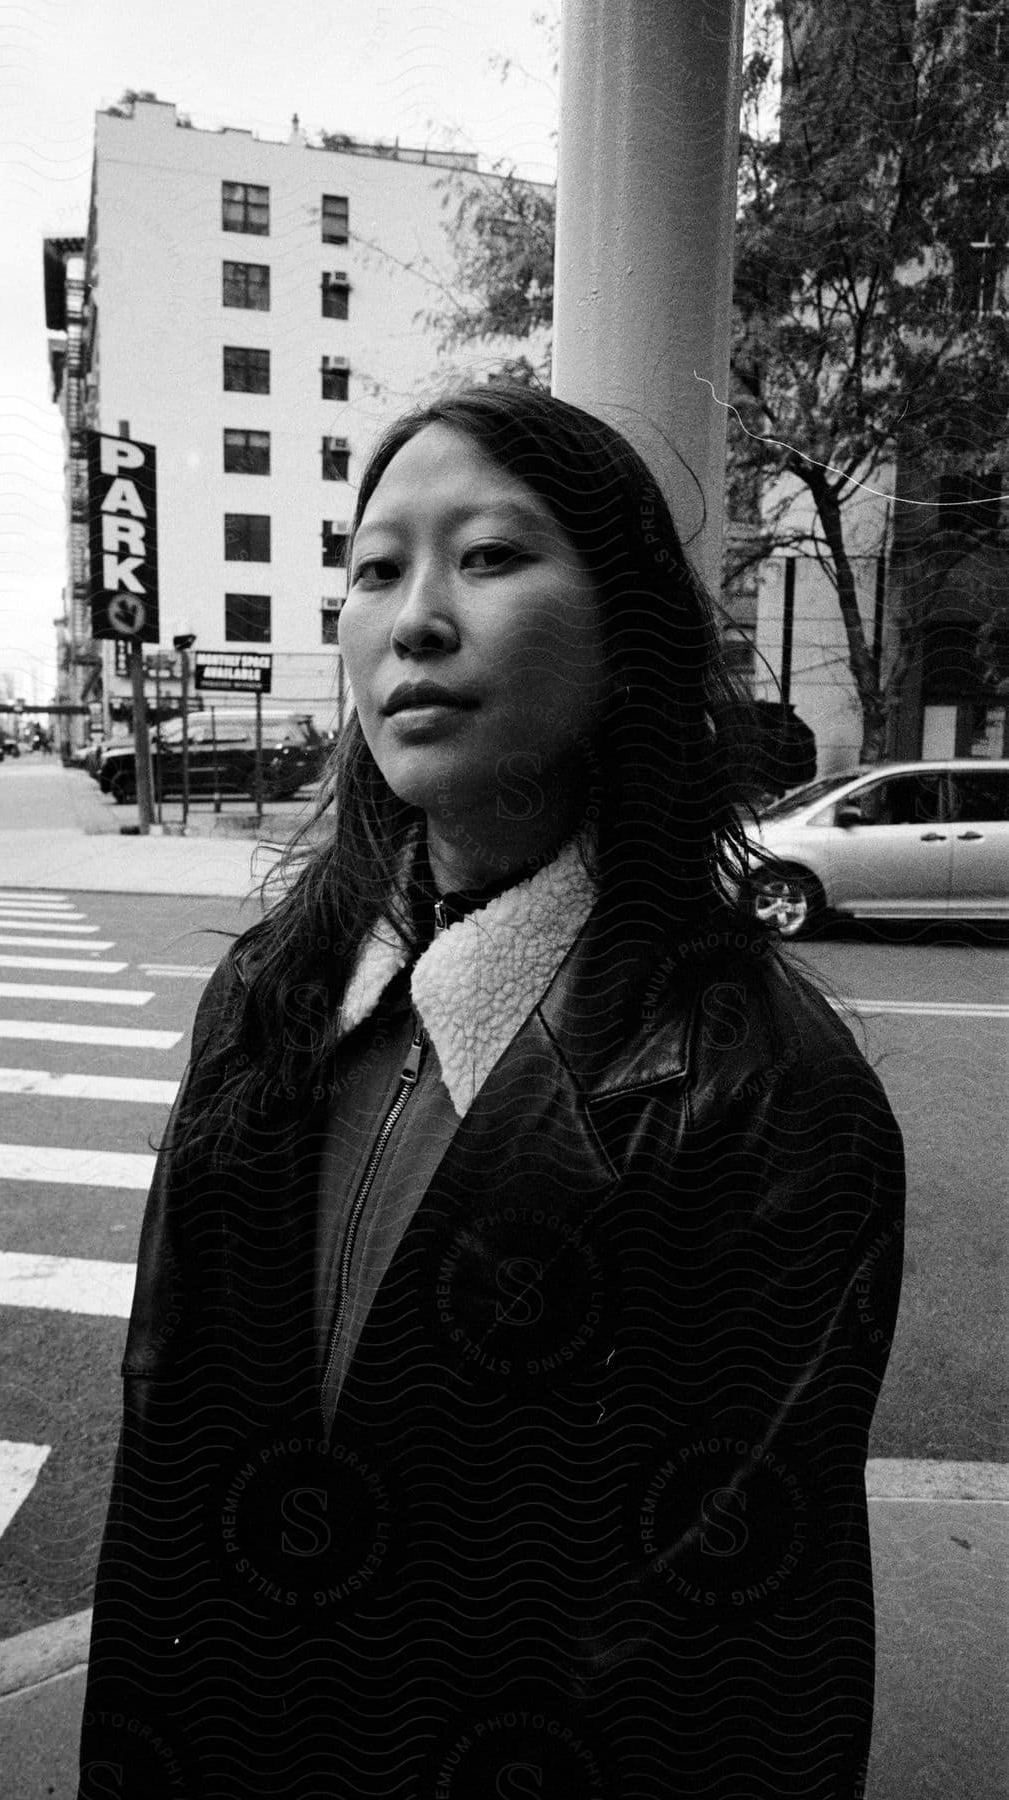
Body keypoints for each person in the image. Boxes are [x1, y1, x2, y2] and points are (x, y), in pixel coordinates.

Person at [78, 384, 904, 1799]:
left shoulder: (764, 1094)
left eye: (493, 555)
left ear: (629, 638)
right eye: (377, 567)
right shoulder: (270, 997)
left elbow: (736, 1650)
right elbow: (170, 1474)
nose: (414, 619)